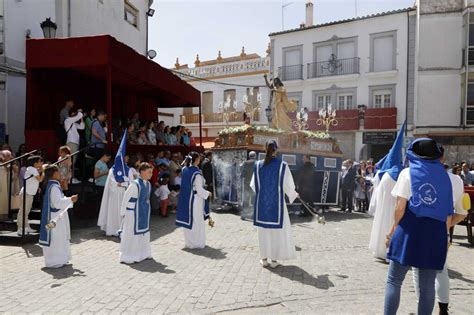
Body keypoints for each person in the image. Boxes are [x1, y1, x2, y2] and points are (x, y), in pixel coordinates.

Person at [384, 138, 454, 315]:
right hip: (435, 232)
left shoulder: (408, 173)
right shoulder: (445, 176)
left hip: (410, 230)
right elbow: (447, 211)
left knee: (394, 280)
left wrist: (392, 231)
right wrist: (445, 237)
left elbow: (400, 208)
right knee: (427, 286)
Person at [411, 147, 468, 315]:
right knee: (441, 268)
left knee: (417, 269)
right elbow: (462, 212)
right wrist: (448, 225)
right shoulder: (456, 179)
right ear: (442, 157)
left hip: (421, 228)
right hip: (442, 229)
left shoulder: (419, 175)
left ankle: (422, 306)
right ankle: (443, 308)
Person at [250, 141, 298, 268]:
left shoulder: (258, 165)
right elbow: (288, 184)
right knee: (276, 233)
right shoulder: (282, 165)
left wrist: (264, 194)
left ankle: (264, 259)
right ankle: (274, 261)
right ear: (276, 150)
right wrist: (293, 194)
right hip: (277, 204)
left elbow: (253, 186)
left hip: (262, 205)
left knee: (263, 233)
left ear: (265, 149)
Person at [39, 165, 78, 268]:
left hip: (56, 216)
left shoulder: (53, 185)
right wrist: (70, 199)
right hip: (55, 217)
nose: (60, 174)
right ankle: (55, 260)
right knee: (56, 238)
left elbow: (59, 199)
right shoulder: (54, 187)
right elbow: (57, 203)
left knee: (60, 237)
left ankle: (61, 258)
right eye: (58, 172)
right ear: (54, 173)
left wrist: (68, 198)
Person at [97, 133, 133, 237]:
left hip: (124, 194)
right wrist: (119, 183)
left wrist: (124, 183)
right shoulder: (112, 170)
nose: (125, 159)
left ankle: (122, 229)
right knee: (114, 212)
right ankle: (112, 230)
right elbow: (112, 183)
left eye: (126, 158)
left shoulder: (129, 170)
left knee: (123, 212)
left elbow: (131, 182)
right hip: (114, 195)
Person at [119, 162, 153, 264]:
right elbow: (126, 197)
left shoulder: (148, 184)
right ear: (142, 172)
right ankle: (130, 255)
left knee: (144, 232)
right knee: (132, 232)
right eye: (149, 172)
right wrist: (123, 212)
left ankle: (143, 253)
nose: (151, 174)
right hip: (133, 213)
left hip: (143, 211)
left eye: (151, 172)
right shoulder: (135, 184)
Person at [176, 152, 212, 249]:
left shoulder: (184, 170)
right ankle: (198, 243)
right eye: (199, 158)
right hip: (196, 199)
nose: (200, 160)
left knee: (189, 220)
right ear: (196, 160)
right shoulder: (197, 173)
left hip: (186, 199)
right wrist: (208, 193)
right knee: (197, 221)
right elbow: (199, 189)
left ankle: (189, 243)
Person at [17, 155, 44, 235]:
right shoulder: (32, 169)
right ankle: (20, 228)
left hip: (28, 193)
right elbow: (40, 179)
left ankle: (26, 227)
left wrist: (37, 187)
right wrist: (44, 171)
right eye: (40, 161)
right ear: (35, 163)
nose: (42, 163)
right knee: (23, 211)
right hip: (27, 193)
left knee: (26, 211)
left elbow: (34, 179)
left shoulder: (32, 169)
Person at [64, 108, 84, 183]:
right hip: (71, 143)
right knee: (71, 161)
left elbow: (82, 127)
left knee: (73, 161)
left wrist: (81, 117)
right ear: (71, 114)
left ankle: (71, 178)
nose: (75, 115)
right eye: (74, 113)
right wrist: (79, 112)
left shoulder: (72, 123)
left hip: (75, 143)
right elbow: (78, 116)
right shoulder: (67, 120)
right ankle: (70, 179)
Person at [241, 151, 257, 221]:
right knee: (254, 200)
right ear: (255, 156)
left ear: (249, 156)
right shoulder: (258, 163)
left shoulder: (246, 163)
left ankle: (243, 215)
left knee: (245, 200)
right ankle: (254, 215)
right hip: (254, 185)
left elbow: (242, 175)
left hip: (247, 184)